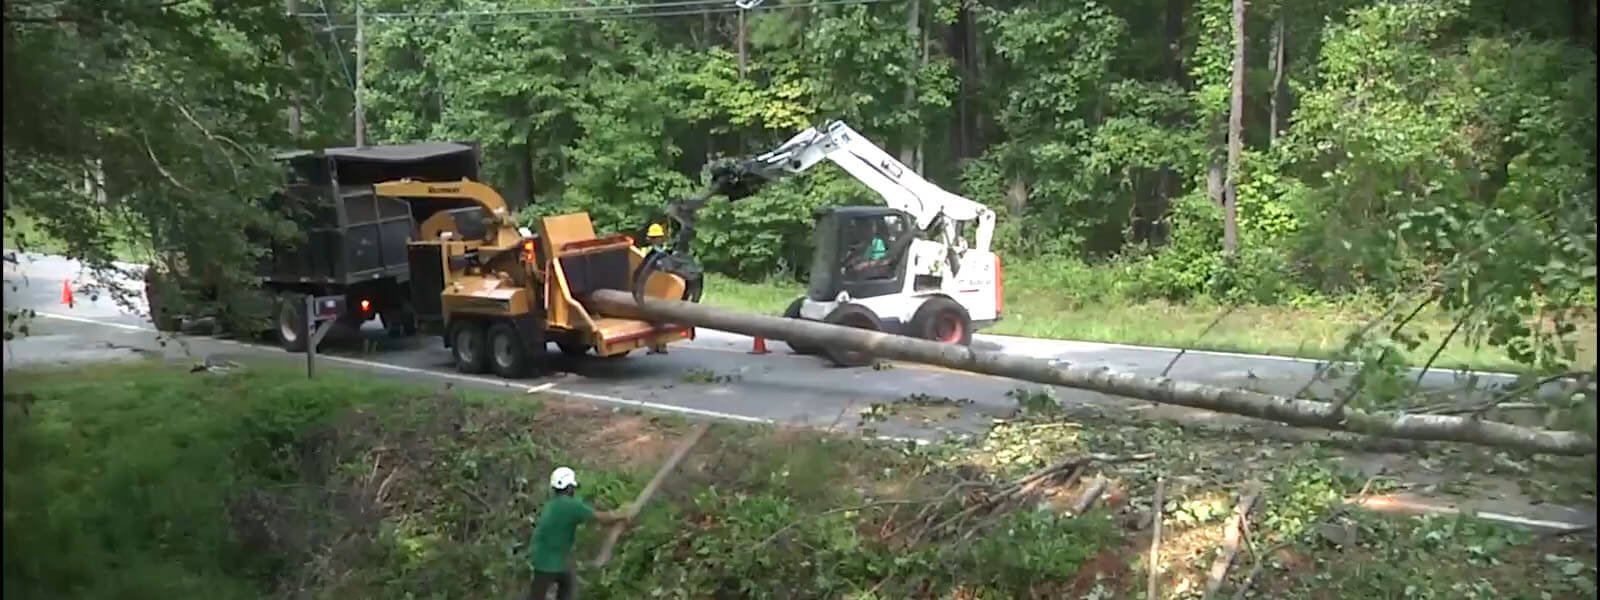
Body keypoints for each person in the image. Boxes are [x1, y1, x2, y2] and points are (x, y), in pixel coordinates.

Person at [527, 467, 633, 600]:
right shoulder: (570, 505)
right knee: (566, 588)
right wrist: (622, 514)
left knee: (540, 593)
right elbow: (601, 518)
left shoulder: (553, 504)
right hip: (553, 562)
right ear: (569, 487)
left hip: (542, 558)